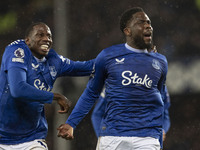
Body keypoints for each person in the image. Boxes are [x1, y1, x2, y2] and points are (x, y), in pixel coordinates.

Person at [57, 7, 168, 150]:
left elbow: (159, 101)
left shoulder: (160, 62)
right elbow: (91, 93)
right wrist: (71, 123)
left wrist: (158, 138)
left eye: (149, 22)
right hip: (113, 137)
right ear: (127, 31)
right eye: (141, 22)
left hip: (146, 138)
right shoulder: (108, 56)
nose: (148, 26)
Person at [0, 22, 94, 150]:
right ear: (27, 40)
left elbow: (87, 67)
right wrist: (55, 97)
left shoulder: (54, 61)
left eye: (49, 36)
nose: (46, 39)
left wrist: (114, 59)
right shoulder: (17, 51)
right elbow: (18, 89)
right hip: (2, 136)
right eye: (40, 35)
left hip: (31, 139)